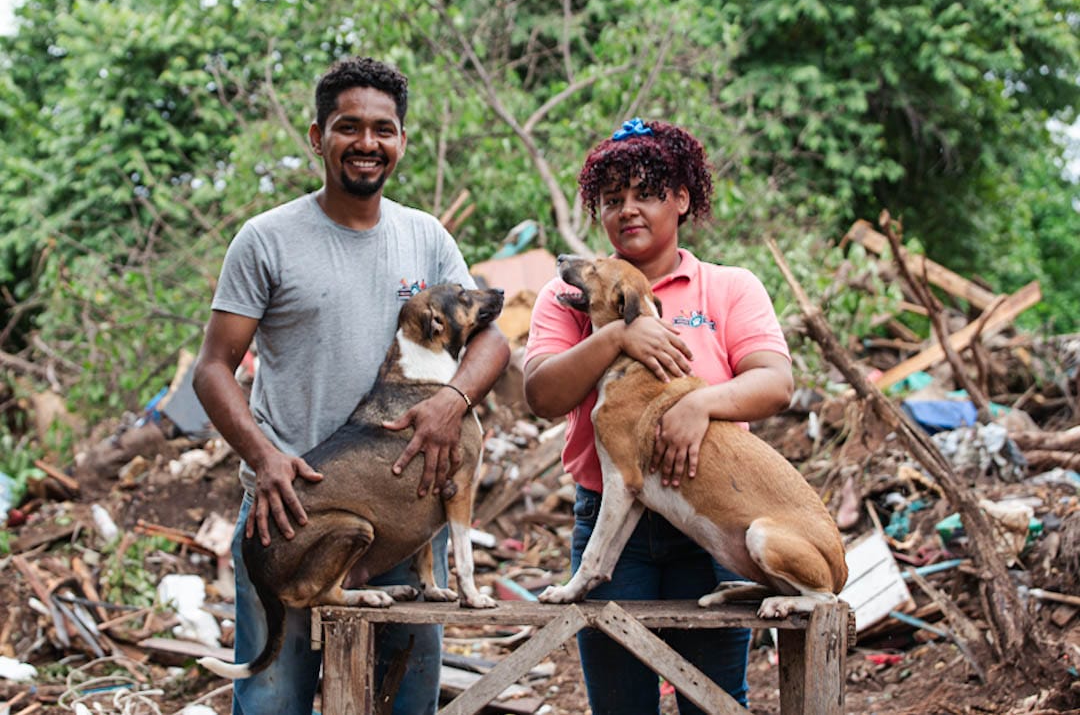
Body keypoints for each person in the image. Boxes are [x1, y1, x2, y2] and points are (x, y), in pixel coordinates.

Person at [192, 56, 510, 715]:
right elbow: (212, 367)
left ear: (401, 141)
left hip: (403, 530)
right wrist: (264, 457)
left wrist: (452, 401)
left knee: (405, 706)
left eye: (383, 129)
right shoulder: (267, 240)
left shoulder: (425, 237)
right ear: (318, 137)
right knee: (273, 706)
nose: (367, 143)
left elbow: (493, 340)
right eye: (349, 127)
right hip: (292, 521)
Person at [523, 118, 793, 713]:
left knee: (714, 702)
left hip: (714, 520)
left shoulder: (728, 287)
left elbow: (776, 383)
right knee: (620, 704)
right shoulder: (573, 294)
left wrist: (699, 403)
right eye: (611, 198)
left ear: (682, 199)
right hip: (613, 524)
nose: (628, 210)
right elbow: (541, 396)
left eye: (646, 193)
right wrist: (618, 335)